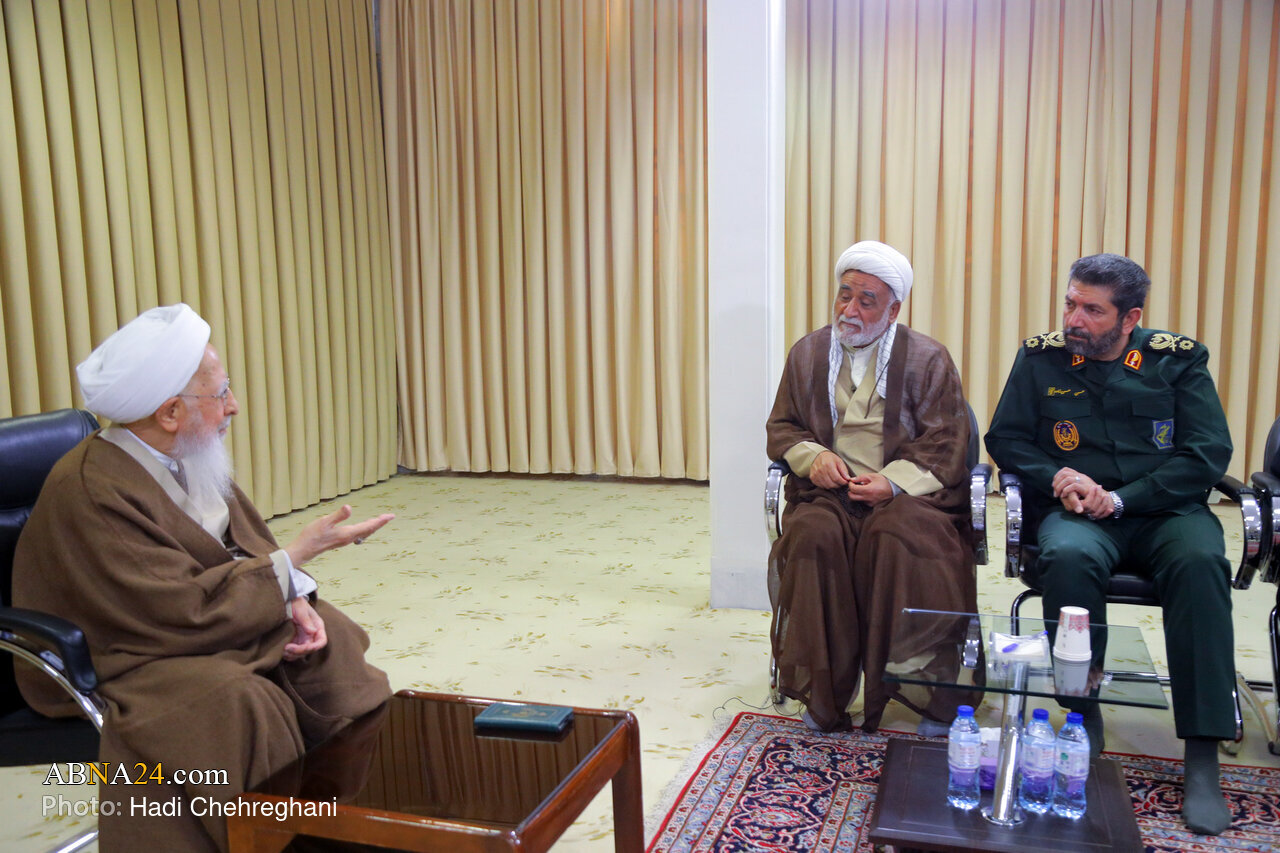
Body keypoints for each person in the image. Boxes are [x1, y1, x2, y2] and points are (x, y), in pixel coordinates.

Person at [13, 304, 395, 852]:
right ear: (171, 411)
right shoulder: (93, 489)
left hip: (193, 621)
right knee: (239, 704)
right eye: (221, 393)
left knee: (332, 646)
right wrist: (292, 561)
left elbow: (246, 545)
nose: (233, 405)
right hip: (126, 648)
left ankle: (346, 819)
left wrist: (294, 595)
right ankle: (267, 840)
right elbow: (171, 608)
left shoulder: (188, 451)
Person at [985, 253, 1234, 835]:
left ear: (1130, 318)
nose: (1074, 319)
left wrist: (1122, 500)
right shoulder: (1040, 357)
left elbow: (1206, 453)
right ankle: (1082, 711)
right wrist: (1058, 477)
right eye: (1071, 303)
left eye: (1092, 310)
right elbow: (1007, 438)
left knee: (1202, 563)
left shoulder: (1178, 360)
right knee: (1068, 557)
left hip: (1164, 510)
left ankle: (1202, 754)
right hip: (1077, 512)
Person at [766, 240, 977, 734]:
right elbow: (783, 426)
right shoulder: (808, 353)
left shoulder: (928, 358)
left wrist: (893, 482)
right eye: (845, 295)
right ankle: (826, 693)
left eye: (867, 301)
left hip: (910, 498)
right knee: (813, 537)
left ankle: (923, 694)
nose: (850, 310)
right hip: (828, 495)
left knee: (897, 538)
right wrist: (814, 457)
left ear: (893, 310)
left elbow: (948, 440)